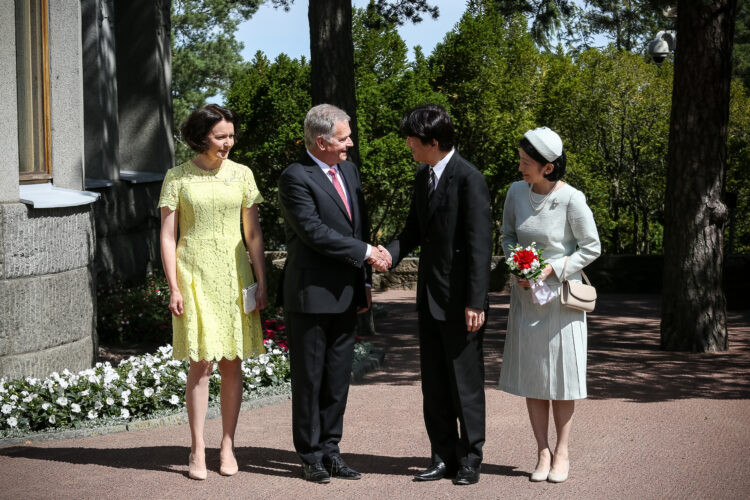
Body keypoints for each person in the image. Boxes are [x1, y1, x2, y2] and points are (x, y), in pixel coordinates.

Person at [277, 104, 390, 483]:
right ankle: (309, 455)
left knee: (338, 378)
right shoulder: (295, 177)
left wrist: (367, 281)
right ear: (322, 141)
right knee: (309, 379)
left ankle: (331, 450)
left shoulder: (350, 170)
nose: (350, 144)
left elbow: (360, 225)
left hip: (347, 292)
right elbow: (312, 232)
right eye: (343, 138)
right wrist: (365, 253)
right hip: (310, 295)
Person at [382, 104, 492, 485]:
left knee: (465, 384)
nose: (408, 144)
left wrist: (476, 301)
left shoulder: (469, 179)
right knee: (434, 383)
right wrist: (390, 254)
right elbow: (413, 230)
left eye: (412, 138)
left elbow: (480, 245)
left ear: (432, 141)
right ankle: (442, 456)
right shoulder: (421, 176)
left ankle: (470, 459)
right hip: (428, 298)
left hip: (462, 303)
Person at [158, 104, 267, 480]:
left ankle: (227, 445)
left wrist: (262, 281)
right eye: (221, 137)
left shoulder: (243, 175)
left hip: (235, 277)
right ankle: (196, 447)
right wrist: (173, 286)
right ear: (202, 136)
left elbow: (252, 234)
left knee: (232, 362)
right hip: (193, 276)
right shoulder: (177, 177)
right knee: (200, 364)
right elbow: (168, 236)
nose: (228, 143)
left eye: (231, 136)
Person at [498, 127, 601, 484]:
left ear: (549, 167)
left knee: (562, 379)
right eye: (521, 160)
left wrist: (551, 268)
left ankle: (563, 451)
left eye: (527, 162)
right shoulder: (515, 192)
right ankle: (542, 451)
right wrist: (519, 266)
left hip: (561, 302)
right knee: (535, 378)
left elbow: (591, 247)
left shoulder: (572, 199)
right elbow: (508, 236)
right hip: (527, 299)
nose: (521, 167)